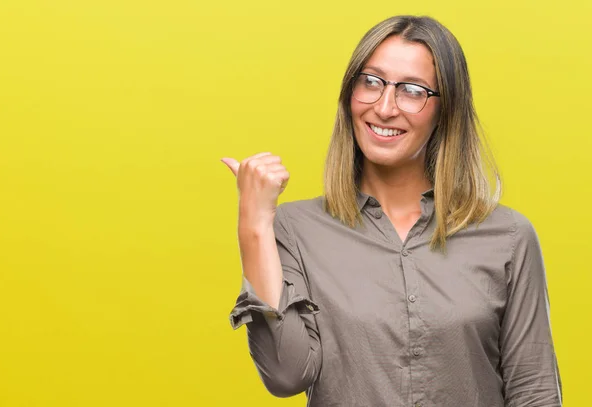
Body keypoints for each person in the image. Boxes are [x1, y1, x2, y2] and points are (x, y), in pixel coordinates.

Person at [221, 15, 562, 407]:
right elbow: (286, 375)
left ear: (445, 109)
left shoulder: (509, 236)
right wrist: (255, 223)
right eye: (371, 82)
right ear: (349, 95)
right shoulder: (296, 230)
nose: (384, 107)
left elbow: (534, 391)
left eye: (412, 90)